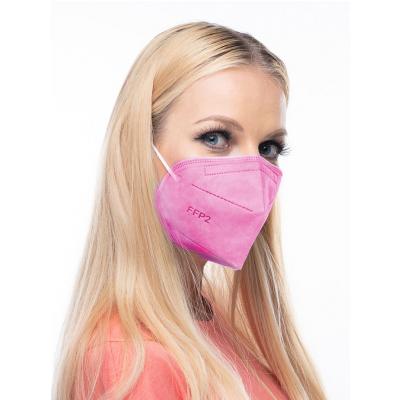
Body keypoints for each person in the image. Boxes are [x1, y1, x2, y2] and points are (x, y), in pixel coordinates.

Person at [52, 21, 327, 400]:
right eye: (216, 137)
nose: (252, 171)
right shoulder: (133, 359)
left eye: (268, 148)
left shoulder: (225, 322)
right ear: (139, 147)